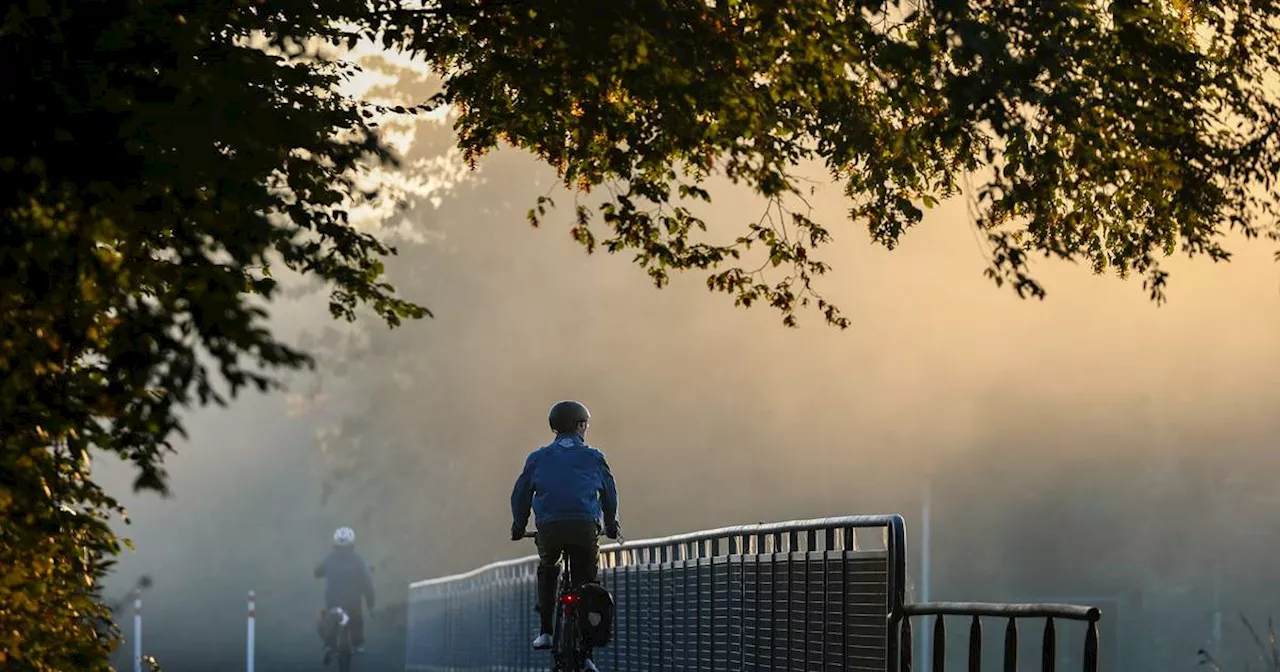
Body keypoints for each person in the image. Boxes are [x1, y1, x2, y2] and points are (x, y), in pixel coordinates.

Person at [510, 400, 621, 657]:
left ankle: (546, 631)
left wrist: (518, 525)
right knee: (587, 583)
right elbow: (609, 494)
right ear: (580, 425)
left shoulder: (538, 458)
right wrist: (611, 524)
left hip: (550, 528)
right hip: (585, 527)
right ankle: (587, 655)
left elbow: (520, 495)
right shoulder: (594, 457)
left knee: (548, 567)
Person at [314, 526, 375, 658]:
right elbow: (368, 585)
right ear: (352, 544)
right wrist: (371, 605)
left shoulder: (329, 559)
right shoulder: (358, 561)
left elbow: (317, 572)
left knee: (326, 622)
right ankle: (358, 644)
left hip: (333, 603)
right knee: (358, 621)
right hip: (353, 604)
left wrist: (320, 570)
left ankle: (329, 646)